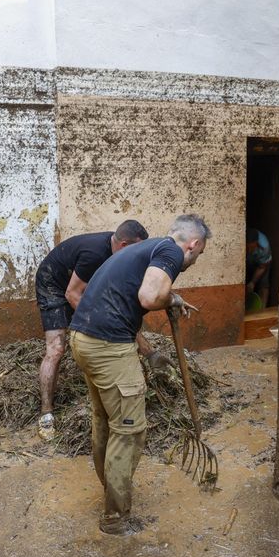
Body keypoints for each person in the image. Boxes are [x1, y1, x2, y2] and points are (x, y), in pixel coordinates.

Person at [68, 214, 209, 535]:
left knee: (104, 419)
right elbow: (148, 297)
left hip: (83, 338)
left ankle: (110, 490)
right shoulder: (172, 252)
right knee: (129, 429)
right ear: (194, 244)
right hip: (108, 346)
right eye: (199, 255)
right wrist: (171, 297)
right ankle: (115, 518)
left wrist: (150, 351)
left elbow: (130, 295)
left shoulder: (145, 249)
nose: (196, 260)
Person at [34, 220, 169, 440]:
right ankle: (46, 413)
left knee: (116, 318)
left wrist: (149, 353)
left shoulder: (122, 256)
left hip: (76, 284)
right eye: (137, 248)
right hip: (55, 284)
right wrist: (98, 320)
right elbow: (72, 294)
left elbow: (119, 312)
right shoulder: (96, 254)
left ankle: (151, 355)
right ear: (124, 245)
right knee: (56, 349)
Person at [245, 228, 272, 303]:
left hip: (262, 263)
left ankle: (262, 310)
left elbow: (262, 267)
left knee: (264, 284)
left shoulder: (264, 247)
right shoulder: (239, 243)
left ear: (256, 243)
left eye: (252, 247)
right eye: (248, 248)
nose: (250, 250)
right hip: (247, 261)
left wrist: (252, 282)